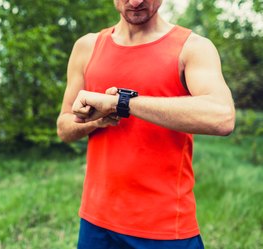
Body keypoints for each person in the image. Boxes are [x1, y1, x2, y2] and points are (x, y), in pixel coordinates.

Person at [57, 0, 235, 248]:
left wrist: (120, 102)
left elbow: (222, 116)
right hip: (96, 222)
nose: (135, 1)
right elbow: (64, 128)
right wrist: (96, 122)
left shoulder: (192, 47)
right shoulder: (87, 47)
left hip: (164, 228)